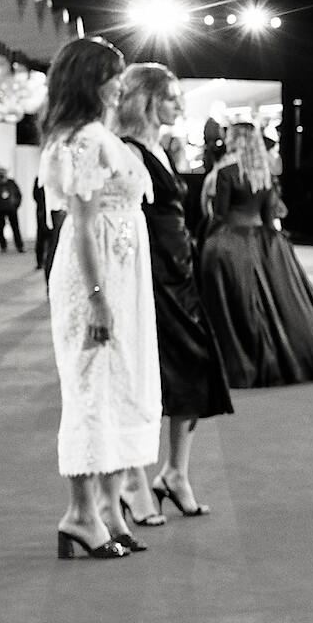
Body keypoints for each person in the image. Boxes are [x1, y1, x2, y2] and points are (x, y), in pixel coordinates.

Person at [38, 35, 158, 560]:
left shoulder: (97, 134)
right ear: (89, 80)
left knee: (122, 382)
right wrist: (97, 298)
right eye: (111, 73)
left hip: (123, 275)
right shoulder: (83, 139)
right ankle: (80, 515)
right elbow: (83, 225)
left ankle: (108, 507)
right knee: (92, 387)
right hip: (97, 276)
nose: (120, 82)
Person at [114, 63, 232, 520]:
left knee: (194, 369)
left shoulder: (159, 148)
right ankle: (132, 479)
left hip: (180, 274)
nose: (180, 105)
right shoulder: (127, 151)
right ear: (145, 101)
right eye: (171, 97)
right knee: (147, 377)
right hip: (151, 278)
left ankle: (175, 473)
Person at [199, 122, 313, 388]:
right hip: (266, 243)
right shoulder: (265, 176)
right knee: (276, 304)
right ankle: (284, 361)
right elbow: (268, 218)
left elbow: (220, 214)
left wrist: (204, 239)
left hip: (231, 243)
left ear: (237, 141)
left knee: (236, 305)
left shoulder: (227, 173)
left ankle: (241, 361)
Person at [0, 165, 24, 254]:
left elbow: (18, 195)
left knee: (15, 228)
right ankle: (3, 247)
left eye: (3, 172)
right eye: (0, 172)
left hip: (11, 209)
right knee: (0, 229)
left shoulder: (12, 184)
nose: (2, 174)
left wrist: (16, 205)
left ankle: (19, 246)